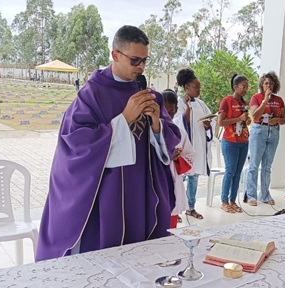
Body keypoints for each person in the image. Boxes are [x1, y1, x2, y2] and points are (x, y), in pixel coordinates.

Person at [35, 25, 181, 261]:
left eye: (144, 60)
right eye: (135, 60)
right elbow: (75, 144)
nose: (141, 67)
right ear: (115, 55)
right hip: (107, 193)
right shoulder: (91, 94)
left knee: (141, 261)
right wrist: (123, 120)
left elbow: (171, 139)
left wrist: (156, 125)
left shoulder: (150, 95)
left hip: (142, 189)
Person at [175, 68, 213, 220]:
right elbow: (178, 123)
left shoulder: (201, 104)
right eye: (196, 87)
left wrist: (207, 125)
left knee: (194, 177)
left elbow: (209, 122)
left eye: (199, 87)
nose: (198, 90)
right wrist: (188, 109)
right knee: (179, 180)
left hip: (197, 146)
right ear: (187, 88)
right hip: (184, 148)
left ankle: (191, 208)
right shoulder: (179, 103)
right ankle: (176, 210)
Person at [244, 71, 285, 206]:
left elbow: (284, 119)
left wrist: (277, 120)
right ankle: (251, 195)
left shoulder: (279, 100)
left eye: (271, 83)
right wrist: (265, 100)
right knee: (254, 165)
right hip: (259, 130)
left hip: (273, 131)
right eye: (266, 83)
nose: (269, 86)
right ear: (262, 85)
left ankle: (265, 194)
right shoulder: (256, 98)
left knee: (267, 166)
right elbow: (255, 116)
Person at [217, 74, 251, 213]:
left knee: (238, 173)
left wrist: (246, 121)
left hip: (243, 140)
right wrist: (238, 118)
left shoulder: (244, 103)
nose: (245, 90)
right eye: (243, 87)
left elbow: (244, 120)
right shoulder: (227, 101)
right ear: (235, 87)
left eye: (247, 87)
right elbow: (220, 122)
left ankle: (233, 200)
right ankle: (224, 201)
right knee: (230, 171)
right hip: (230, 141)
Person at [162, 89, 195, 228]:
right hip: (155, 182)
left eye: (171, 112)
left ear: (176, 110)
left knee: (170, 227)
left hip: (172, 181)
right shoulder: (149, 131)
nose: (167, 116)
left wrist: (177, 158)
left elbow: (190, 156)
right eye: (163, 111)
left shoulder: (179, 133)